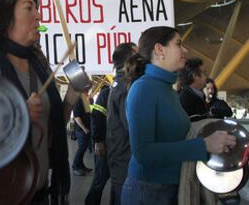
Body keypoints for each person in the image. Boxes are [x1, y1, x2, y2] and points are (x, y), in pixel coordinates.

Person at [0, 0, 80, 204]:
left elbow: (49, 127)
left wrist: (71, 98)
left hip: (40, 192)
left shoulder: (41, 67)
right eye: (29, 8)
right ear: (4, 18)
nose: (39, 16)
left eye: (37, 9)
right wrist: (14, 115)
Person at [121, 26, 236, 205]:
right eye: (179, 44)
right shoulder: (144, 88)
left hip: (169, 188)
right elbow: (143, 152)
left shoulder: (168, 90)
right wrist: (204, 145)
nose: (185, 50)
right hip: (149, 191)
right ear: (159, 50)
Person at [105, 42, 138, 205]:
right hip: (126, 160)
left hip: (119, 158)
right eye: (137, 54)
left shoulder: (118, 83)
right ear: (131, 57)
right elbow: (132, 128)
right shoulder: (126, 87)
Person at [85, 85, 109, 204]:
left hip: (120, 146)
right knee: (100, 178)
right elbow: (96, 117)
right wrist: (98, 141)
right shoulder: (106, 94)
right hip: (105, 144)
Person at [71, 94, 93, 176]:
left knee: (83, 148)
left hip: (86, 129)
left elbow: (88, 113)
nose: (88, 91)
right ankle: (75, 167)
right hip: (81, 130)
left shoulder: (84, 100)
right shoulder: (78, 101)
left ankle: (81, 166)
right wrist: (84, 128)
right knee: (81, 148)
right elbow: (77, 117)